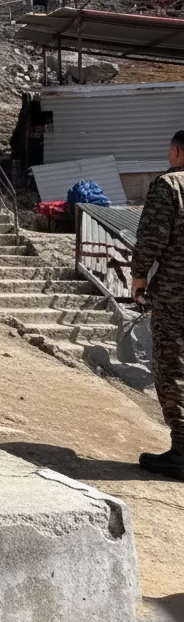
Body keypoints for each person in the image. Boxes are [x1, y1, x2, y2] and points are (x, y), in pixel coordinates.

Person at [131, 130, 184, 479]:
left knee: (173, 365)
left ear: (177, 152)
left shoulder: (170, 185)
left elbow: (152, 237)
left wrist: (138, 277)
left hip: (176, 295)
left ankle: (181, 451)